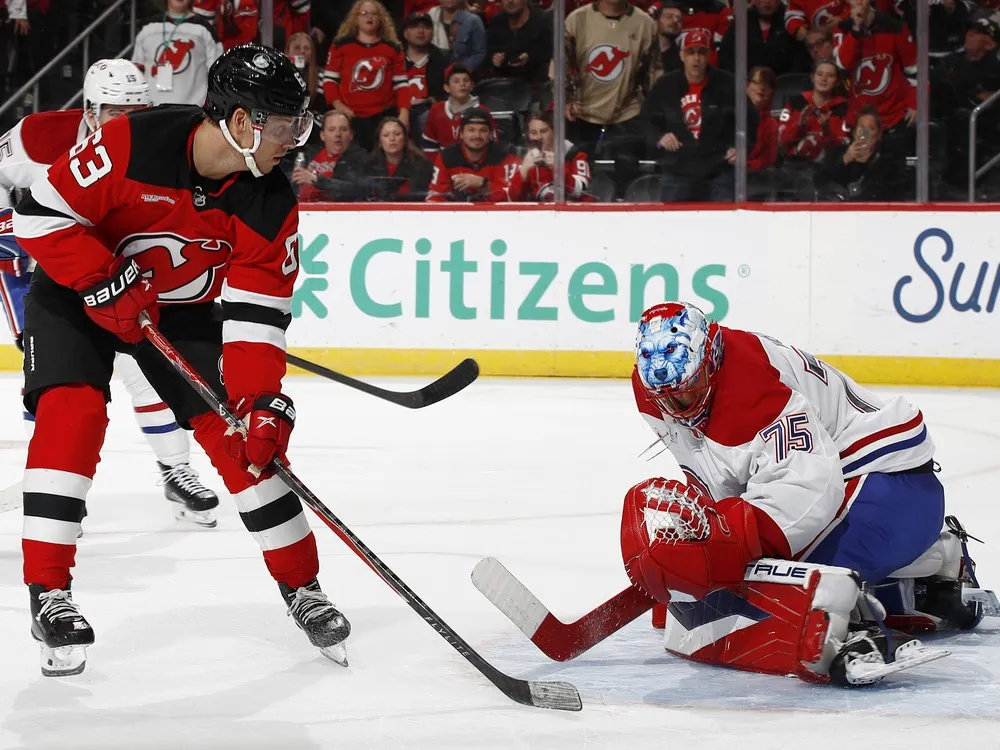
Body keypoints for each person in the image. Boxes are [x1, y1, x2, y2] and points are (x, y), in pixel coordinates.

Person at [11, 43, 350, 678]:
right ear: (242, 122)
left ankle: (302, 587)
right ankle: (49, 593)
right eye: (283, 126)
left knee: (244, 440)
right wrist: (98, 277)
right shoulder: (131, 142)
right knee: (72, 414)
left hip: (174, 310)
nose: (293, 142)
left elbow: (256, 320)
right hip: (75, 293)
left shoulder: (271, 202)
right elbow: (37, 217)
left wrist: (259, 402)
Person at [622, 301, 994, 685]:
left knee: (775, 574)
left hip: (890, 487)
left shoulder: (750, 385)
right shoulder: (659, 386)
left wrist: (727, 546)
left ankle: (856, 619)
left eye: (689, 391)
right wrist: (705, 539)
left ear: (711, 357)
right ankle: (934, 562)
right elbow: (715, 468)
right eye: (667, 399)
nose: (680, 407)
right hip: (860, 487)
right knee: (740, 567)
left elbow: (810, 486)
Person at [0, 59, 221, 528]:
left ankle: (177, 469)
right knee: (54, 382)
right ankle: (48, 479)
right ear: (89, 109)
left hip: (120, 271)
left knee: (149, 368)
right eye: (117, 112)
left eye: (137, 111)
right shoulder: (36, 136)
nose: (128, 123)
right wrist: (12, 227)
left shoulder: (155, 143)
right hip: (49, 276)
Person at [641, 29, 757, 202]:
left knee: (722, 225)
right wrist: (660, 137)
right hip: (677, 171)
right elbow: (646, 121)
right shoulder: (665, 85)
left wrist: (741, 146)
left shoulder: (728, 84)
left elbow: (750, 120)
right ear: (681, 55)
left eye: (702, 52)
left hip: (719, 172)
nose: (696, 58)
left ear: (709, 55)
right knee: (674, 226)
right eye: (690, 52)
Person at [322, 0, 412, 151]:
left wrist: (404, 112)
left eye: (374, 14)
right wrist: (339, 106)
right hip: (350, 114)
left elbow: (401, 85)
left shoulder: (393, 48)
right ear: (356, 18)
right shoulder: (341, 45)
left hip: (383, 114)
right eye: (364, 13)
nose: (369, 17)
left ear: (381, 19)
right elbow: (330, 81)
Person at [132, 0, 224, 106]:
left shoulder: (205, 30)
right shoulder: (149, 28)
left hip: (192, 110)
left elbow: (217, 72)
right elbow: (137, 70)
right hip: (152, 108)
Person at [426, 106, 519, 201]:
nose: (477, 136)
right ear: (461, 133)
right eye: (471, 130)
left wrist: (483, 184)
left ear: (490, 134)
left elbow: (512, 198)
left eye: (483, 130)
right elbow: (435, 196)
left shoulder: (505, 155)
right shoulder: (446, 157)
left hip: (496, 214)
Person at [820, 104, 909, 200]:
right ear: (854, 133)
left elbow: (895, 193)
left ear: (879, 134)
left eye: (871, 128)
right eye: (862, 128)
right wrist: (845, 160)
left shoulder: (889, 162)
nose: (865, 133)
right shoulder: (838, 154)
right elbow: (824, 183)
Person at [507, 110, 591, 201]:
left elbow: (580, 192)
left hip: (569, 212)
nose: (539, 137)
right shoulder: (521, 158)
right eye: (533, 133)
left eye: (544, 131)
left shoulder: (574, 154)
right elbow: (513, 198)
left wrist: (558, 169)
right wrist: (523, 170)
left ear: (555, 131)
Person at [292, 110, 368, 202]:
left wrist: (316, 180)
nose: (338, 134)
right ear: (322, 135)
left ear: (351, 134)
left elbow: (356, 190)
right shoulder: (307, 154)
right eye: (332, 130)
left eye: (343, 129)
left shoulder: (360, 158)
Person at [421, 63, 489, 156]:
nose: (462, 84)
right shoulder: (436, 109)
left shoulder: (483, 112)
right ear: (447, 87)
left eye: (466, 80)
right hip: (444, 166)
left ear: (472, 86)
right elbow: (430, 146)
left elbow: (491, 147)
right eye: (456, 81)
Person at [363, 116, 434, 200]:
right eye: (386, 135)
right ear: (380, 142)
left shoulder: (421, 166)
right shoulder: (369, 166)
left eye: (397, 134)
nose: (392, 139)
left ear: (404, 139)